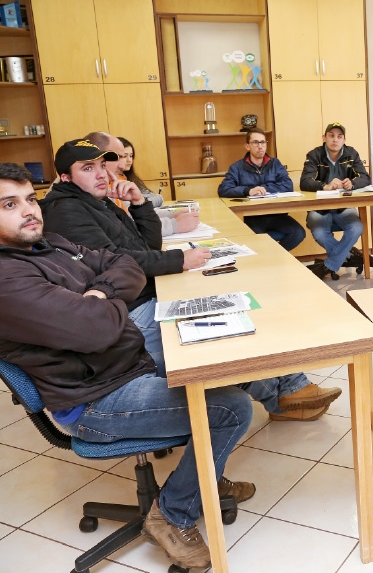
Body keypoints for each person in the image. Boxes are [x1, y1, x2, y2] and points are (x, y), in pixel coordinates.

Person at [0, 162, 256, 569]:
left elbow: (127, 265)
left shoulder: (50, 242)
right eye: (9, 204)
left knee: (221, 365)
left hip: (121, 366)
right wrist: (101, 307)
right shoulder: (7, 278)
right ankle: (172, 515)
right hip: (95, 401)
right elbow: (91, 330)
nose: (28, 210)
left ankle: (203, 477)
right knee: (231, 408)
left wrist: (98, 294)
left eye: (30, 199)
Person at [40, 138, 342, 421]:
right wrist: (179, 260)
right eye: (87, 168)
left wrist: (139, 205)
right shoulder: (66, 210)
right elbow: (119, 262)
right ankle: (284, 394)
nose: (101, 174)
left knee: (225, 302)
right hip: (125, 311)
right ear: (65, 178)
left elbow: (147, 246)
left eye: (102, 165)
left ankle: (288, 386)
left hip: (140, 293)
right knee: (212, 319)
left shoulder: (96, 201)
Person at [300, 122, 373, 279]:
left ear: (344, 139)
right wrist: (324, 186)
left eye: (339, 137)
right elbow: (305, 181)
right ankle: (349, 255)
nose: (335, 140)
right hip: (319, 208)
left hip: (344, 207)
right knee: (320, 233)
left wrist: (352, 184)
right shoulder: (314, 155)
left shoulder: (351, 154)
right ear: (324, 138)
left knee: (356, 228)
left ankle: (329, 265)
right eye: (331, 136)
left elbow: (365, 178)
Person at [89, 132, 199, 238]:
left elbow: (132, 217)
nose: (124, 164)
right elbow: (127, 231)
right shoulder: (94, 194)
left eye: (130, 156)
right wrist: (174, 224)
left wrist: (171, 215)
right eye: (118, 158)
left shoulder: (116, 183)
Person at [218, 128, 306, 251]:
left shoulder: (275, 163)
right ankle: (267, 262)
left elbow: (288, 185)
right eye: (255, 142)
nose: (260, 146)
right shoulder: (237, 167)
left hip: (276, 214)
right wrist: (248, 191)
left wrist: (264, 188)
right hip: (252, 217)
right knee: (253, 241)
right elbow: (224, 189)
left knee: (298, 233)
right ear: (247, 146)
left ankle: (275, 258)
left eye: (263, 142)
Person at [118, 136, 164, 207]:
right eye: (124, 156)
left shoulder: (131, 177)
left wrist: (156, 198)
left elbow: (153, 196)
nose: (129, 160)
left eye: (131, 156)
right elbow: (137, 205)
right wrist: (157, 198)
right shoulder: (115, 182)